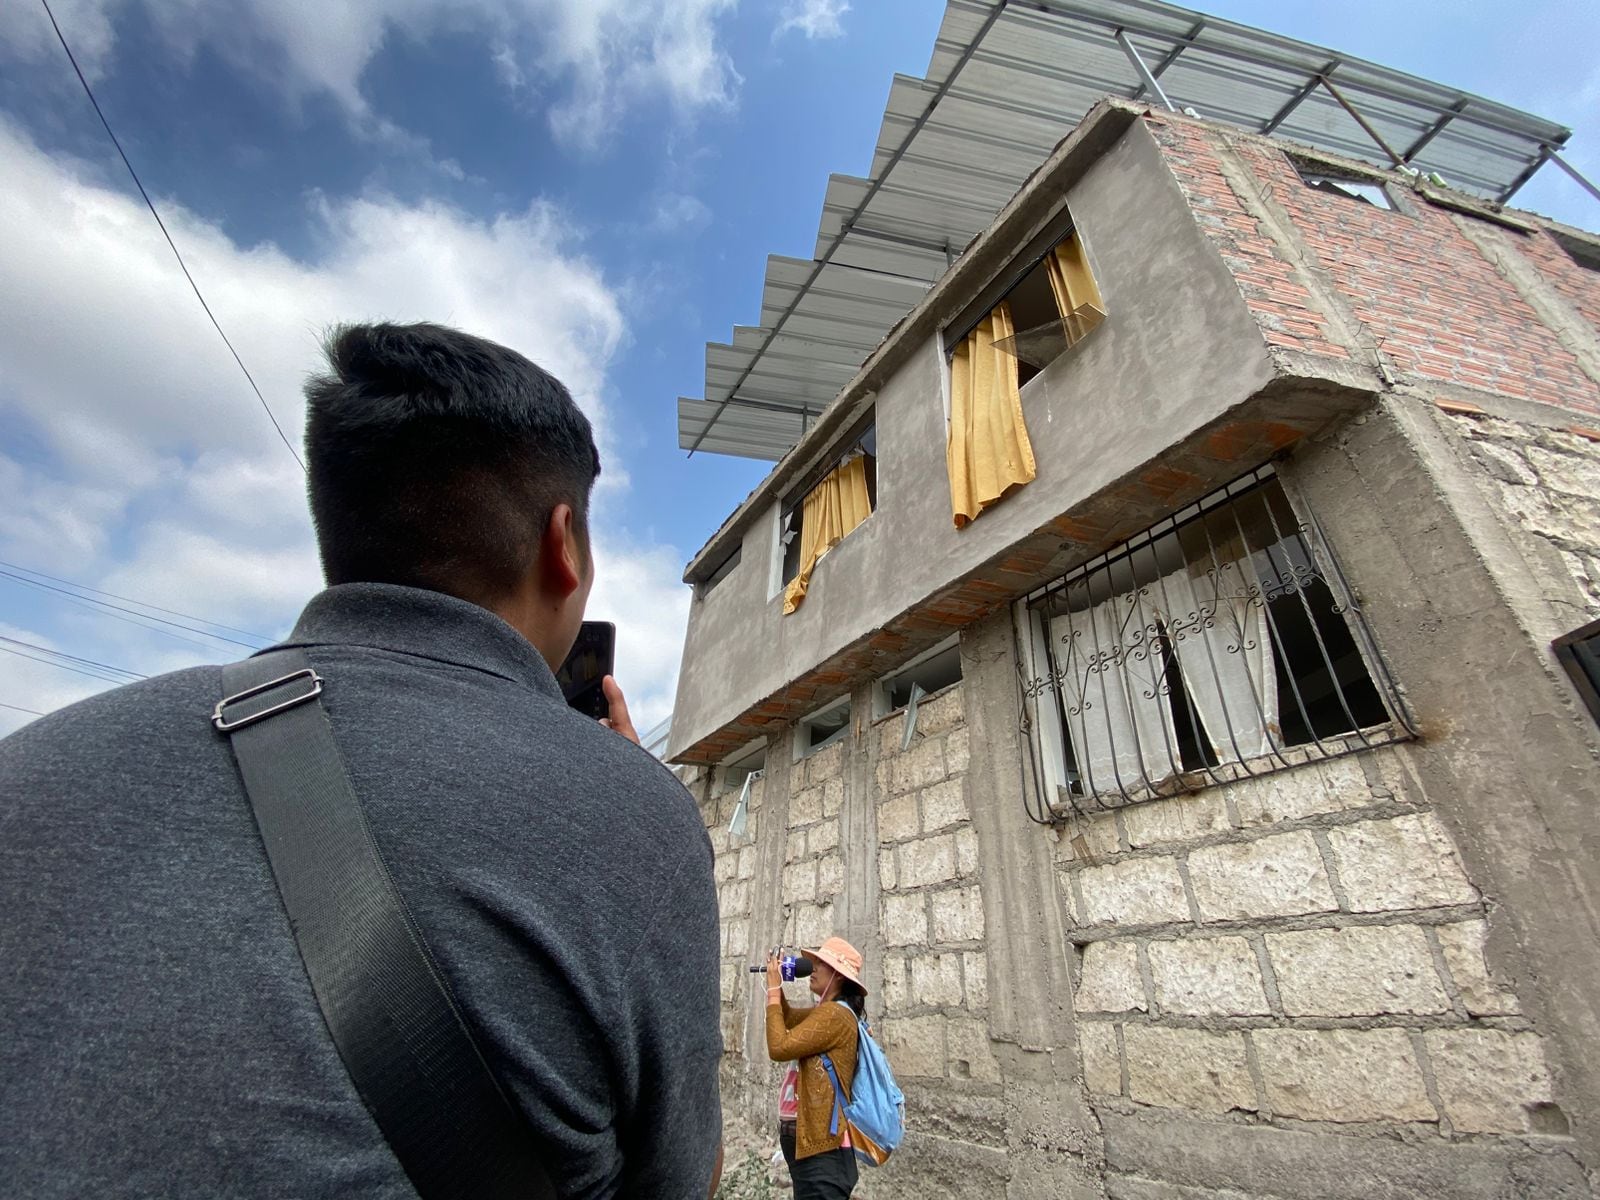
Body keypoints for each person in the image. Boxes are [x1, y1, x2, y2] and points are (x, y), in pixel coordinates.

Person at [0, 323, 723, 1198]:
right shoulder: (637, 818)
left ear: (335, 528)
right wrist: (621, 794)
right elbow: (682, 1180)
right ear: (562, 545)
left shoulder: (31, 766)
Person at [764, 937, 868, 1199]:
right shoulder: (826, 1012)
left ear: (839, 976)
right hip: (813, 1155)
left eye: (821, 963)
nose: (812, 968)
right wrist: (776, 984)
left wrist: (774, 991)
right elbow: (786, 1020)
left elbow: (779, 1046)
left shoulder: (836, 1016)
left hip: (824, 1156)